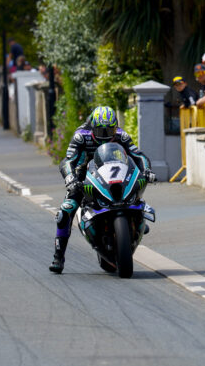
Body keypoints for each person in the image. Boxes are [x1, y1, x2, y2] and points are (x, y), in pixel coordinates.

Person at [50, 106, 156, 273]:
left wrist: (147, 170)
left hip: (113, 173)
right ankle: (58, 255)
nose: (106, 135)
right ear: (92, 127)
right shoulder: (81, 136)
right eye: (101, 130)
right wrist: (71, 178)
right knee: (66, 210)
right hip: (84, 175)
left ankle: (136, 220)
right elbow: (68, 160)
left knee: (135, 192)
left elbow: (138, 155)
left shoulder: (121, 134)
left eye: (110, 130)